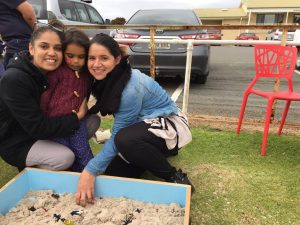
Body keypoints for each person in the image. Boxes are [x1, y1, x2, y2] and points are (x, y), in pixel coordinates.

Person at [76, 34, 194, 206]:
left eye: (104, 58)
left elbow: (119, 133)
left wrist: (90, 170)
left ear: (117, 59)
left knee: (123, 140)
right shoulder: (113, 75)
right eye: (92, 58)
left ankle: (174, 176)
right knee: (112, 173)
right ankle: (150, 154)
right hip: (142, 128)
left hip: (170, 124)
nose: (96, 64)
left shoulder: (130, 88)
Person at [0, 26, 99, 172]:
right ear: (31, 48)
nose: (51, 53)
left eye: (57, 48)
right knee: (65, 157)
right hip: (19, 141)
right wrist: (77, 116)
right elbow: (38, 128)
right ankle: (32, 168)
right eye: (44, 46)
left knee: (92, 121)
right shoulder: (16, 79)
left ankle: (68, 155)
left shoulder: (53, 72)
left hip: (43, 129)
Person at [40, 28, 94, 172]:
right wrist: (45, 119)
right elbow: (45, 97)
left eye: (81, 56)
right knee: (67, 152)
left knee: (83, 152)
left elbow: (85, 95)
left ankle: (92, 175)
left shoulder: (87, 75)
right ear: (63, 53)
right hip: (56, 124)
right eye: (70, 55)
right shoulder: (56, 72)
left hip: (77, 123)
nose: (76, 61)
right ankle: (77, 176)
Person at [0, 0, 36, 69]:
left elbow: (29, 14)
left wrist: (35, 31)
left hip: (20, 42)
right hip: (10, 44)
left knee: (14, 75)